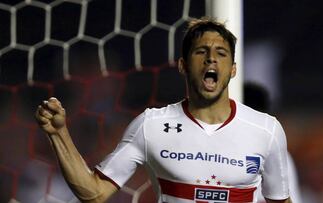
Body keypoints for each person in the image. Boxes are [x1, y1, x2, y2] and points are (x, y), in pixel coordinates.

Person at [35, 17, 292, 203]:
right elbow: (95, 193)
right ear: (182, 65)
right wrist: (59, 134)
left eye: (221, 53)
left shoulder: (265, 130)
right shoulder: (151, 126)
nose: (211, 59)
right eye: (201, 51)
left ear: (233, 69)